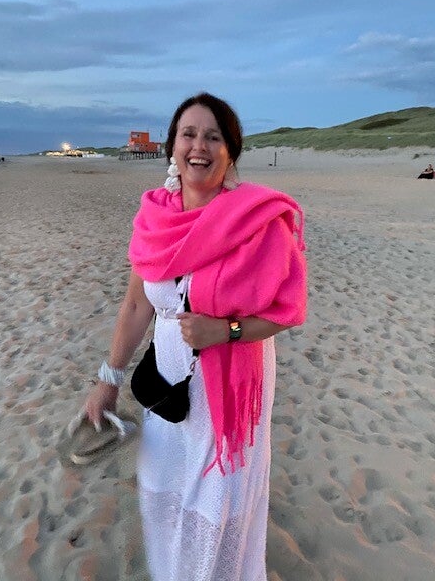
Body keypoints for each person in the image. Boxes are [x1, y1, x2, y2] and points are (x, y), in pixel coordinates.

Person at [84, 92, 307, 581]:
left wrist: (225, 330)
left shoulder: (259, 221)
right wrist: (108, 380)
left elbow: (287, 311)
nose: (199, 146)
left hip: (228, 386)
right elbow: (137, 305)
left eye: (213, 136)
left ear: (230, 152)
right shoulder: (155, 218)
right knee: (163, 486)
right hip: (168, 382)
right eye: (188, 134)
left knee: (215, 497)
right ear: (173, 147)